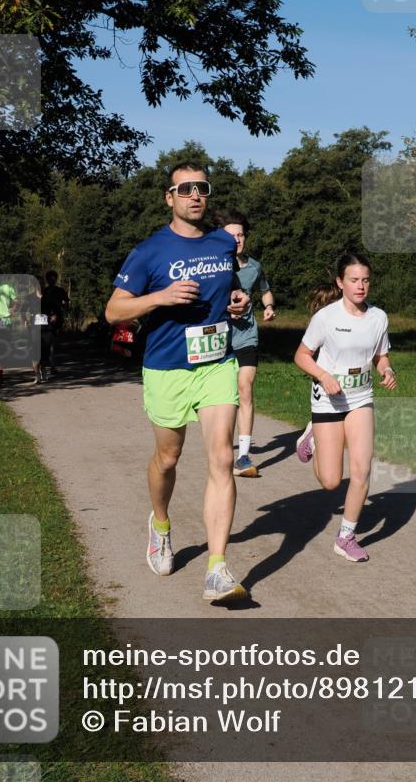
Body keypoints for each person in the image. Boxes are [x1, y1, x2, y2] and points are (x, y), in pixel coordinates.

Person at [105, 162, 252, 603]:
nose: (194, 195)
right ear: (169, 198)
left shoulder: (223, 241)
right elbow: (114, 311)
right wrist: (160, 298)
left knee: (222, 458)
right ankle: (161, 523)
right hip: (167, 365)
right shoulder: (149, 251)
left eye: (201, 188)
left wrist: (238, 301)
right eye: (184, 189)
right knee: (168, 459)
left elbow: (230, 287)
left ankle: (217, 569)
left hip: (216, 362)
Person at [293, 252, 397, 561]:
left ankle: (346, 537)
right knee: (331, 481)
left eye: (365, 280)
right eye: (354, 280)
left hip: (361, 398)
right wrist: (323, 375)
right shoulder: (326, 318)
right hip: (328, 399)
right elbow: (301, 356)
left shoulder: (379, 317)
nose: (361, 286)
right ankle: (312, 437)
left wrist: (387, 370)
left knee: (362, 469)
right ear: (340, 283)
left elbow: (381, 355)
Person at [217, 210, 276, 478]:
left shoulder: (254, 266)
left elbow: (265, 289)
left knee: (245, 388)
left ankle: (242, 456)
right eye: (231, 235)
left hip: (247, 335)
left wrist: (269, 306)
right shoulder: (215, 265)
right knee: (225, 397)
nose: (237, 239)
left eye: (241, 234)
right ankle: (221, 447)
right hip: (219, 337)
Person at [22, 276, 50, 384]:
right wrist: (25, 320)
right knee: (35, 350)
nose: (40, 285)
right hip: (34, 326)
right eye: (37, 283)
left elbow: (54, 308)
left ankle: (43, 370)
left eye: (42, 283)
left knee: (45, 350)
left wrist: (53, 316)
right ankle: (37, 374)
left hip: (46, 327)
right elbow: (23, 310)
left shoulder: (48, 296)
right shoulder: (30, 297)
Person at [41, 271, 69, 374]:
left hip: (56, 319)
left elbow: (66, 304)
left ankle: (52, 365)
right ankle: (45, 364)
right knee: (44, 342)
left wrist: (61, 307)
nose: (52, 281)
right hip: (44, 319)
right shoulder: (43, 291)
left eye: (53, 279)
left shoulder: (60, 291)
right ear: (47, 280)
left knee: (52, 342)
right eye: (50, 279)